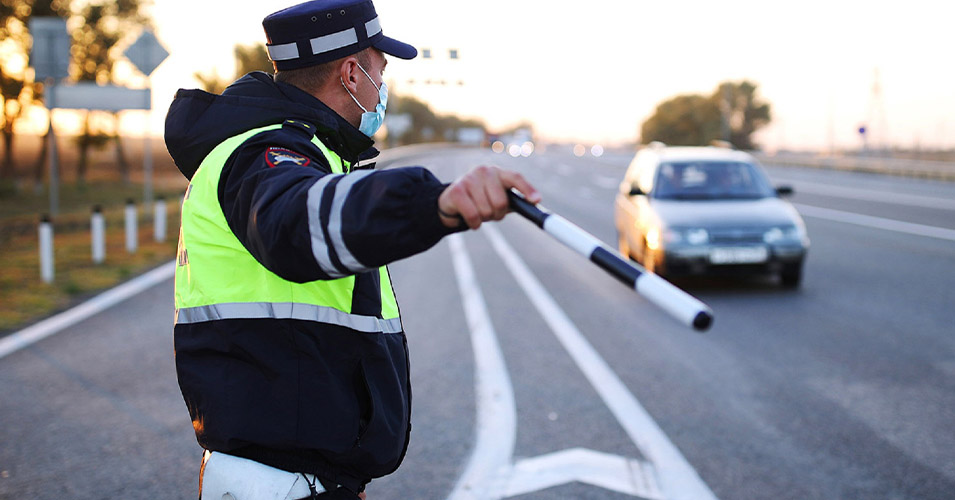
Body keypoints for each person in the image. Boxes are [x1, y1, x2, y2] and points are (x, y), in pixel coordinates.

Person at [163, 0, 540, 498]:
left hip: (301, 477)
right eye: (381, 71)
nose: (383, 87)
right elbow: (294, 223)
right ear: (351, 73)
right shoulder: (264, 155)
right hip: (281, 484)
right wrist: (436, 202)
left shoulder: (307, 153)